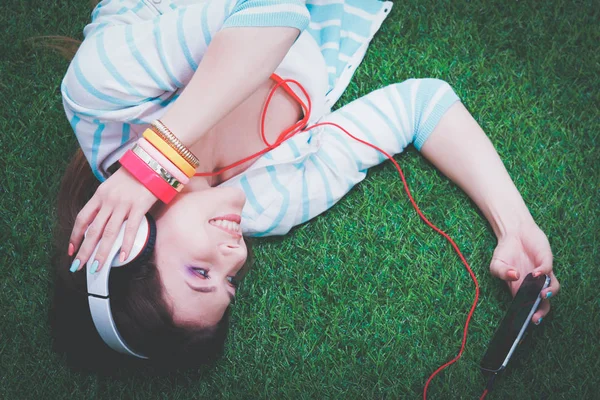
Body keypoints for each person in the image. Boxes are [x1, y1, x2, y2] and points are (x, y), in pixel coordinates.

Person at [52, 0, 559, 372]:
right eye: (229, 282)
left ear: (127, 242)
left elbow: (273, 9)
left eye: (199, 270)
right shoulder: (268, 204)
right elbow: (420, 108)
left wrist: (157, 162)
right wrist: (513, 225)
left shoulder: (100, 99)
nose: (235, 256)